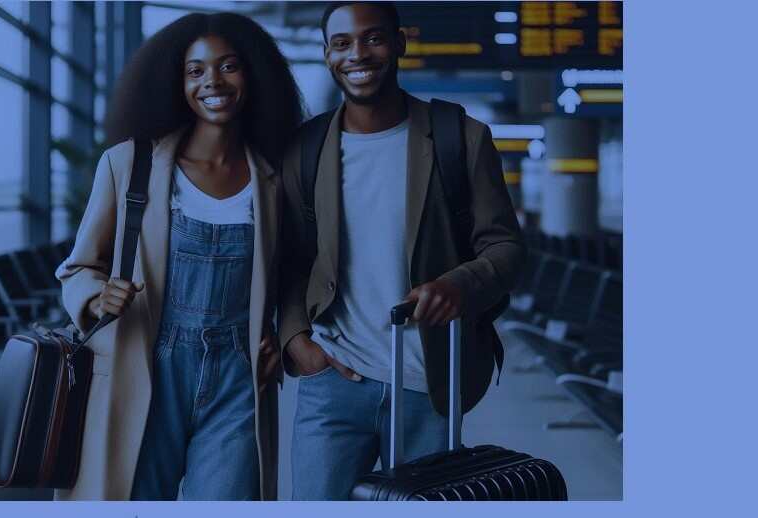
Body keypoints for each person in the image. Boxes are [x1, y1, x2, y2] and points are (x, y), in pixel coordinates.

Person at [276, 1, 525, 500]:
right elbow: (290, 259)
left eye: (373, 38)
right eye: (342, 43)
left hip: (426, 382)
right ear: (327, 55)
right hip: (334, 380)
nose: (358, 54)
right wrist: (295, 339)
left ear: (400, 42)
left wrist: (459, 284)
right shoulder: (305, 148)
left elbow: (505, 247)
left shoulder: (462, 137)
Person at [55, 12, 303, 501]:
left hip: (238, 375)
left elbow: (293, 271)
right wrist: (98, 295)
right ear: (177, 83)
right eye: (196, 71)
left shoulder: (275, 177)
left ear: (253, 75)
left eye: (229, 66)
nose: (213, 81)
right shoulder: (129, 165)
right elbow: (78, 267)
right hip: (145, 361)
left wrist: (281, 330)